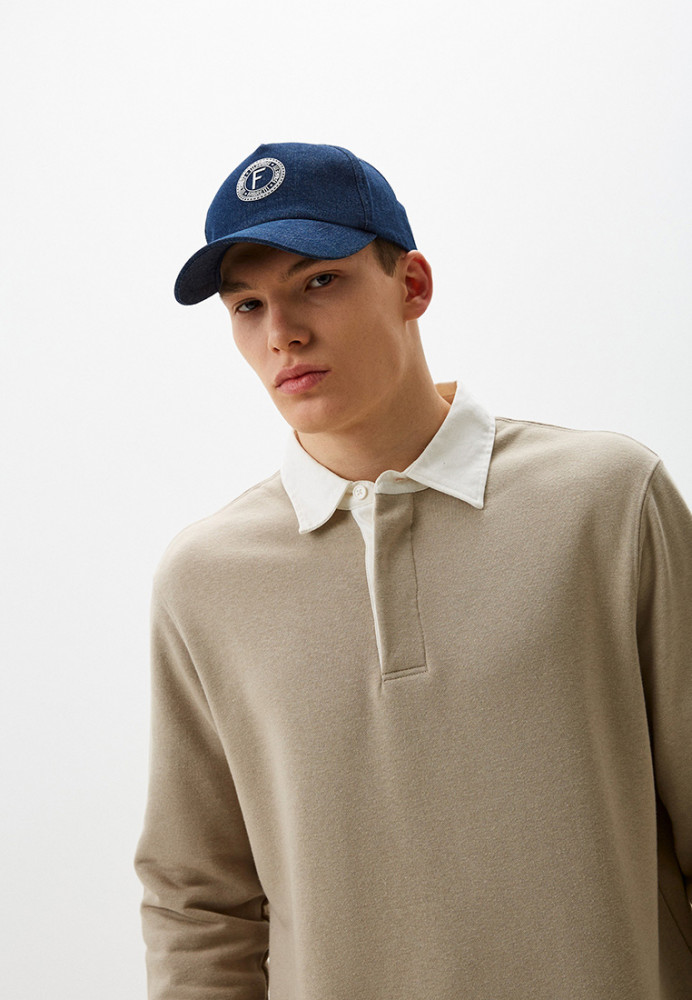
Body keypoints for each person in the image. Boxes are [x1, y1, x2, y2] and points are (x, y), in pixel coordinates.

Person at [134, 142, 692, 1000]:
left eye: (319, 280)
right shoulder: (206, 580)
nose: (282, 332)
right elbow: (198, 902)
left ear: (413, 285)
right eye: (247, 304)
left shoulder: (607, 501)